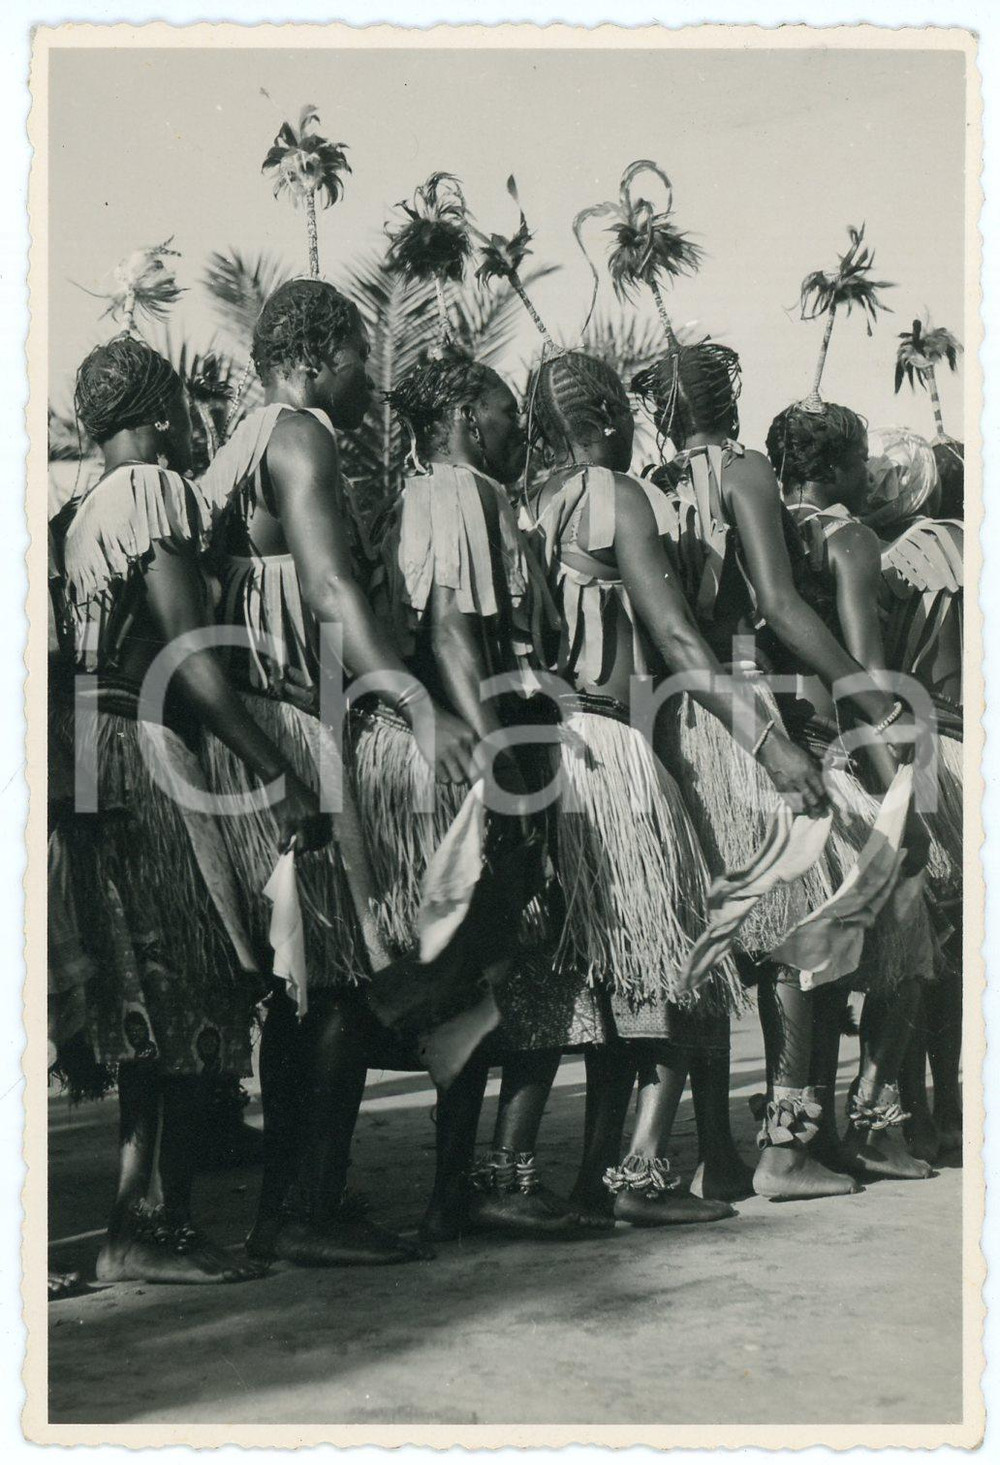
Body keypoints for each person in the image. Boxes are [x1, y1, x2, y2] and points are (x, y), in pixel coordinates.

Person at [200, 278, 479, 1266]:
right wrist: (411, 697)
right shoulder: (301, 433)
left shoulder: (242, 439)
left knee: (308, 981)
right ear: (317, 353)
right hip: (296, 728)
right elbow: (325, 585)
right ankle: (305, 1211)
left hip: (266, 727)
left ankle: (297, 1205)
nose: (370, 375)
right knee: (334, 982)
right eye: (361, 352)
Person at [523, 349, 828, 1224]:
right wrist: (770, 744)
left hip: (556, 748)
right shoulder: (622, 495)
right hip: (616, 746)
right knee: (679, 956)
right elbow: (683, 643)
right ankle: (643, 1174)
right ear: (613, 412)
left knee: (604, 973)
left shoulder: (532, 502)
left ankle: (612, 1175)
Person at [53, 332, 325, 1284]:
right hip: (146, 751)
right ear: (165, 411)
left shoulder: (83, 507)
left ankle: (146, 1216)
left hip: (97, 755)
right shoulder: (153, 492)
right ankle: (146, 1227)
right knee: (183, 977)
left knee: (150, 984)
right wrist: (273, 775)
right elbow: (187, 657)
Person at [632, 342, 925, 1200]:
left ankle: (710, 1152)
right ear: (729, 396)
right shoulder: (743, 470)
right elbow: (778, 604)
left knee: (734, 939)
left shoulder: (650, 483)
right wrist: (869, 702)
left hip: (687, 722)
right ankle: (789, 1147)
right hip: (755, 724)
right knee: (806, 923)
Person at [376, 347, 594, 1239]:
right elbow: (453, 631)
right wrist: (500, 759)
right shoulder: (457, 491)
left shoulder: (447, 492)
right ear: (466, 412)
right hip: (493, 750)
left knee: (481, 973)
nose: (518, 427)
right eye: (506, 410)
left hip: (490, 742)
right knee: (507, 962)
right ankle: (478, 1183)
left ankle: (455, 1191)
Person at [765, 400, 940, 1178]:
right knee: (906, 933)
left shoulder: (766, 536)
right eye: (861, 460)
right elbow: (866, 680)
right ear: (838, 465)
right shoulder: (851, 538)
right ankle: (862, 1126)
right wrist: (899, 798)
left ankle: (802, 1134)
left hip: (771, 751)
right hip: (837, 752)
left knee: (806, 952)